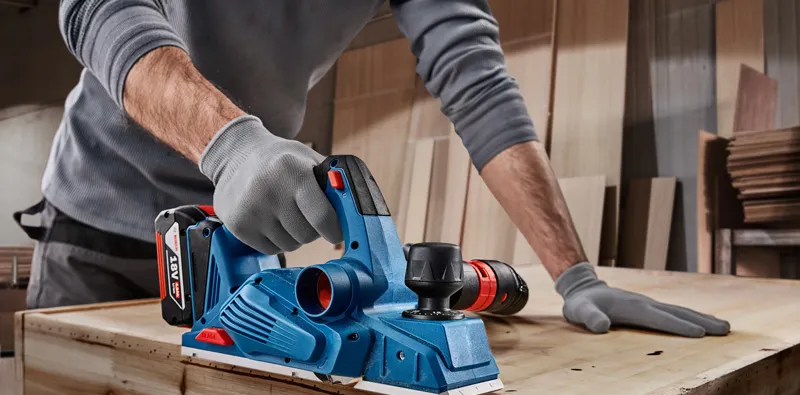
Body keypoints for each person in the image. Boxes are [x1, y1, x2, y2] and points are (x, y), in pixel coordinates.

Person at [21, 0, 729, 338]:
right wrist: (230, 147)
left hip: (243, 236)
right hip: (102, 223)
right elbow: (99, 10)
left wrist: (575, 275)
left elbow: (475, 80)